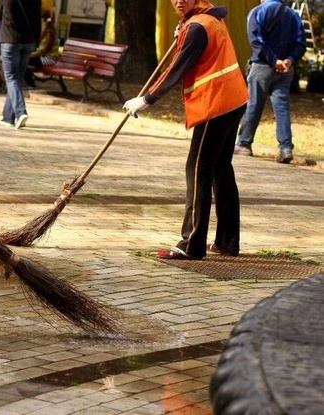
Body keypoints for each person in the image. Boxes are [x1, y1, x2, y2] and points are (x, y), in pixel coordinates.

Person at [122, 0, 249, 260]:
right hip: (234, 98)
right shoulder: (209, 18)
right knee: (220, 168)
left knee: (198, 169)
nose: (178, 1)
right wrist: (182, 33)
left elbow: (176, 70)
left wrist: (145, 100)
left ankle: (190, 244)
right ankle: (228, 241)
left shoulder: (197, 26)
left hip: (217, 103)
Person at [234, 0, 306, 164]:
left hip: (262, 67)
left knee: (254, 104)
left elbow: (256, 41)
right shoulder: (293, 15)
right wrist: (289, 59)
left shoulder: (258, 12)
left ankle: (244, 144)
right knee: (282, 108)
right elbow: (301, 43)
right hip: (285, 70)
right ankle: (285, 148)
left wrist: (274, 60)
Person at [0, 0, 41, 129]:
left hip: (10, 39)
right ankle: (8, 117)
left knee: (11, 78)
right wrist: (37, 41)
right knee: (17, 78)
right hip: (28, 42)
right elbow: (37, 20)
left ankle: (20, 112)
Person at [24, 9, 59, 89]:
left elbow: (42, 49)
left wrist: (30, 54)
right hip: (44, 56)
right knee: (24, 60)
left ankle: (31, 84)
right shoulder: (45, 27)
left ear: (42, 19)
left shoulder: (48, 30)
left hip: (50, 58)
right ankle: (29, 81)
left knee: (24, 61)